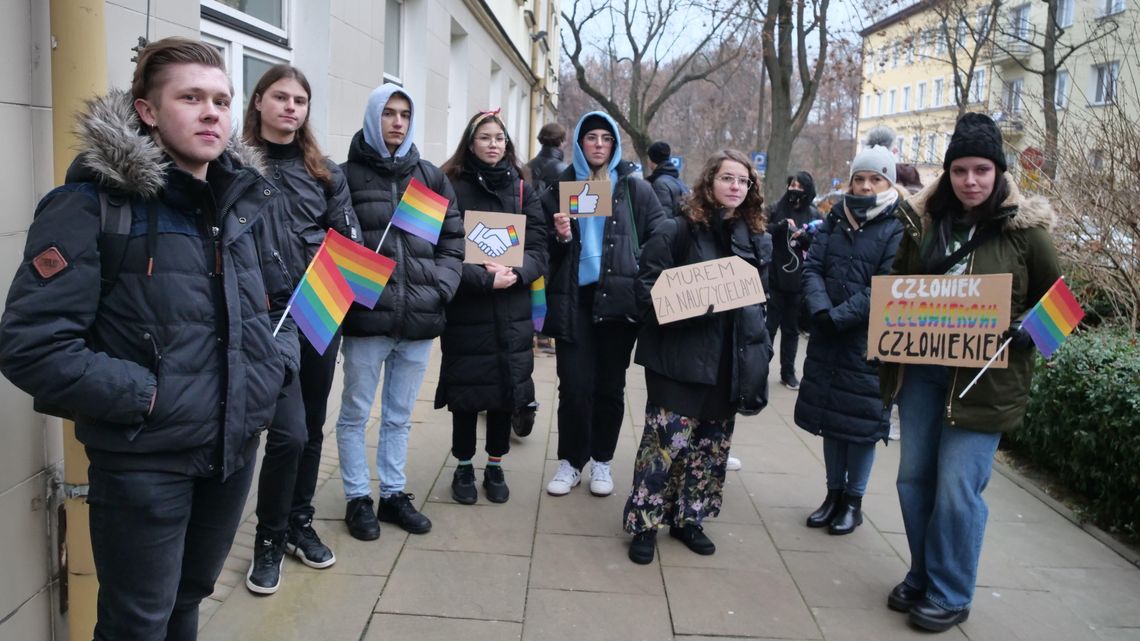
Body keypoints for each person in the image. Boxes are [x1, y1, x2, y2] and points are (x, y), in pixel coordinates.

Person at [0, 37, 298, 640]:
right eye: (191, 98)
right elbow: (31, 344)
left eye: (221, 100)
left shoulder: (244, 204)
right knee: (137, 623)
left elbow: (279, 305)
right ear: (147, 111)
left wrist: (272, 370)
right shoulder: (90, 207)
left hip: (232, 451)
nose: (211, 112)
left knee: (189, 600)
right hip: (144, 463)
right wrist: (148, 397)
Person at [880, 113, 1060, 632]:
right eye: (960, 170)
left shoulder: (1027, 233)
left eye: (982, 170)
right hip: (922, 374)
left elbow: (1064, 306)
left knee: (958, 488)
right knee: (914, 480)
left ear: (999, 172)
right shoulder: (923, 225)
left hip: (985, 383)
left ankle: (951, 591)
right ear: (948, 173)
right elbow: (897, 284)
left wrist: (1030, 332)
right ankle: (922, 573)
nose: (971, 181)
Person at [242, 64, 362, 594]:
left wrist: (340, 258)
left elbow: (350, 242)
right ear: (259, 101)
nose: (291, 107)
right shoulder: (234, 166)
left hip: (319, 304)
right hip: (263, 314)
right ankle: (267, 538)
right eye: (281, 97)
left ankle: (298, 523)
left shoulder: (325, 172)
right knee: (286, 432)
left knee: (312, 426)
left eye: (300, 100)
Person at [623, 149, 772, 564]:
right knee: (664, 447)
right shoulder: (677, 229)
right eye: (727, 178)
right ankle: (645, 523)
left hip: (728, 364)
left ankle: (689, 518)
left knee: (709, 449)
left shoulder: (755, 237)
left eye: (743, 181)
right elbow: (645, 291)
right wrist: (696, 304)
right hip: (679, 360)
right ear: (709, 182)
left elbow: (761, 299)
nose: (735, 187)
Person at [334, 83, 464, 540]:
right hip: (368, 319)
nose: (397, 122)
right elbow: (332, 242)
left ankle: (392, 494)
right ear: (373, 116)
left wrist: (441, 288)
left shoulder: (429, 178)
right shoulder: (344, 176)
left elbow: (452, 240)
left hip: (419, 320)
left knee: (398, 415)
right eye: (388, 113)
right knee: (355, 413)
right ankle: (357, 498)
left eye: (405, 115)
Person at [540, 111, 666, 497]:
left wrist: (640, 268)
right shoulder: (560, 187)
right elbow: (540, 248)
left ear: (614, 145)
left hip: (619, 300)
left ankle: (602, 461)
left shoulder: (633, 188)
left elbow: (660, 236)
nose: (598, 144)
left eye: (606, 138)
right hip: (575, 299)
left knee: (610, 387)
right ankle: (571, 461)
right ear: (579, 143)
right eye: (591, 137)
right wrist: (560, 236)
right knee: (574, 386)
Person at [436, 110, 548, 504]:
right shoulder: (450, 186)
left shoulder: (522, 189)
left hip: (512, 307)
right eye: (485, 137)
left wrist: (517, 272)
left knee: (506, 391)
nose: (493, 144)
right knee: (466, 393)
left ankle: (495, 465)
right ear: (470, 144)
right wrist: (482, 279)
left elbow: (539, 246)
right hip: (468, 308)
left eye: (499, 138)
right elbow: (442, 249)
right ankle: (464, 466)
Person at [793, 144, 905, 536]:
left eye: (876, 179)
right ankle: (833, 495)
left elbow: (887, 285)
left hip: (868, 344)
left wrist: (839, 317)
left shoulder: (897, 226)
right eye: (859, 179)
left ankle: (853, 502)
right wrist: (821, 310)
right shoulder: (835, 218)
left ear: (888, 183)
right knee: (831, 418)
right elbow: (813, 267)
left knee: (860, 427)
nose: (866, 186)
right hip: (829, 336)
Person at [766, 170, 820, 390]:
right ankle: (759, 369)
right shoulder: (775, 209)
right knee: (768, 328)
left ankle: (788, 372)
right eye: (792, 185)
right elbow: (761, 231)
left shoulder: (814, 214)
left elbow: (819, 244)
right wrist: (778, 228)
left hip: (798, 281)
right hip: (774, 277)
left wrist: (805, 237)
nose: (794, 190)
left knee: (791, 330)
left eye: (800, 186)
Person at [645, 140, 688, 216]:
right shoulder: (678, 181)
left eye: (648, 158)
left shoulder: (660, 184)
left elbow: (663, 218)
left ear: (652, 159)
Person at [526, 122, 568, 197]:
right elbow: (569, 200)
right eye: (565, 140)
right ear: (561, 142)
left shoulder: (527, 166)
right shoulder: (565, 170)